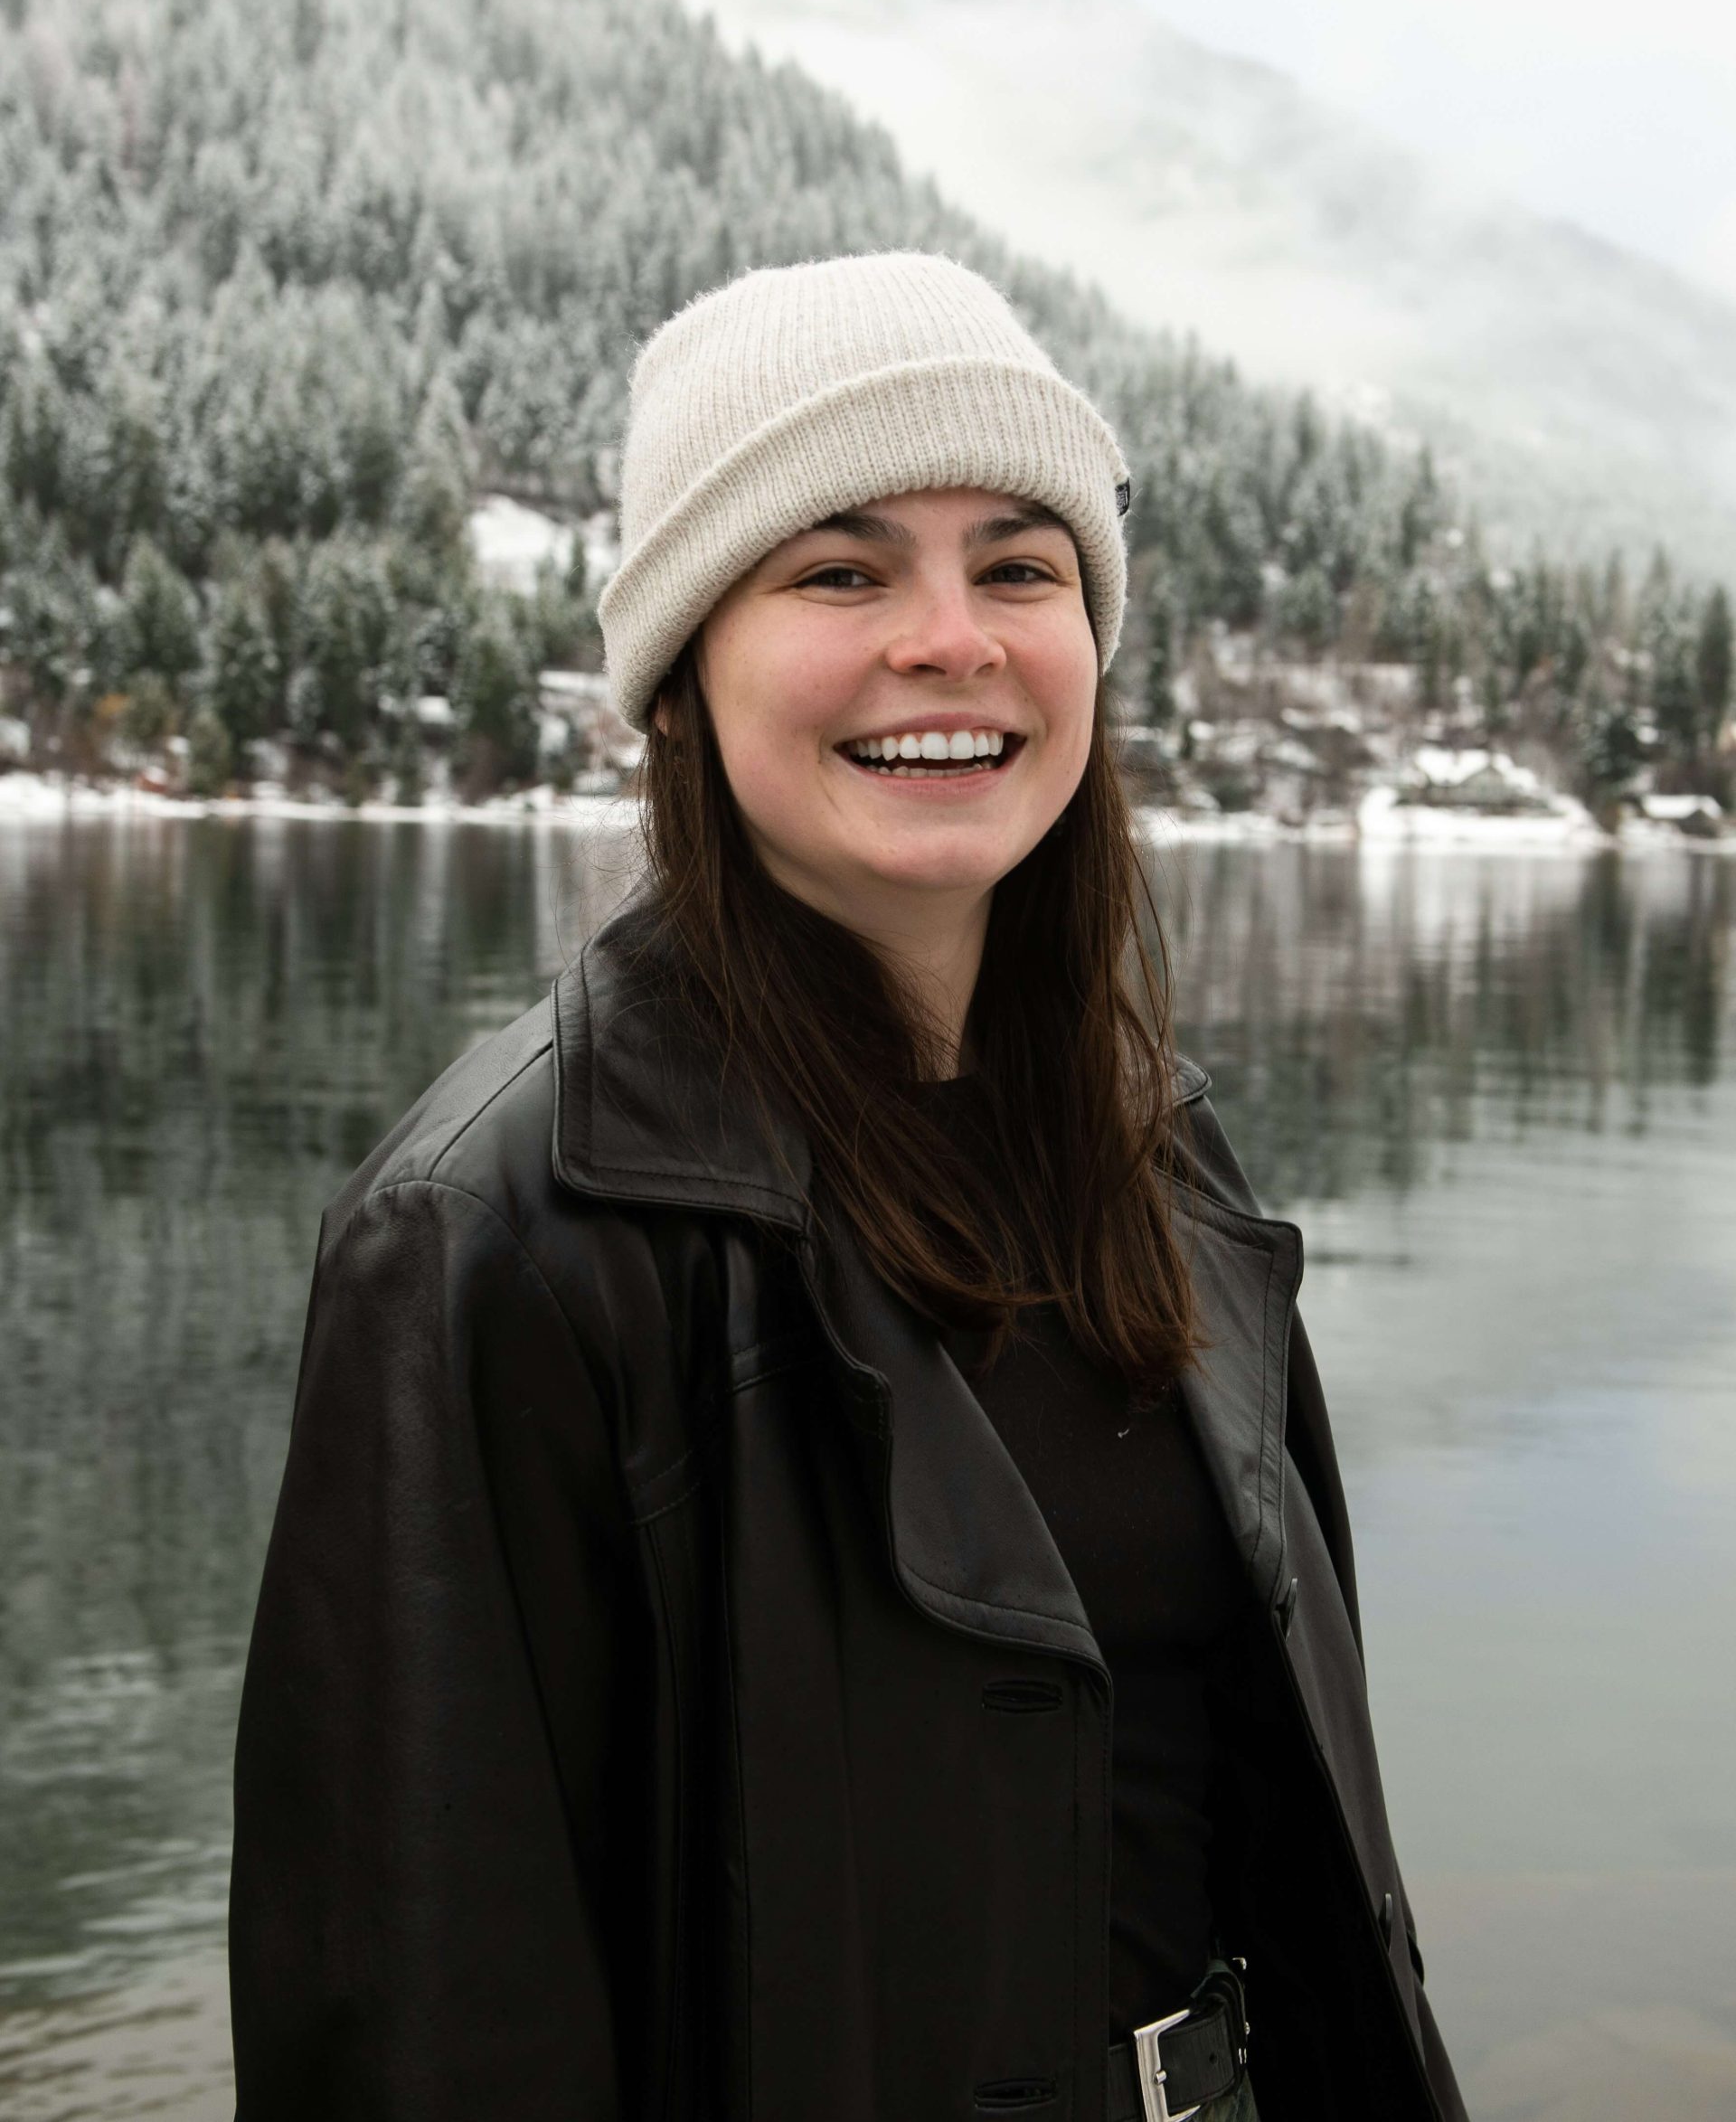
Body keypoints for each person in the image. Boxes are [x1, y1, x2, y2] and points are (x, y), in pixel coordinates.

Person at [229, 252, 1467, 2122]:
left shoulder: (1164, 1165)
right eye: (840, 568)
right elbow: (419, 2020)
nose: (951, 636)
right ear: (682, 670)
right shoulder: (499, 1241)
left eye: (1018, 564)